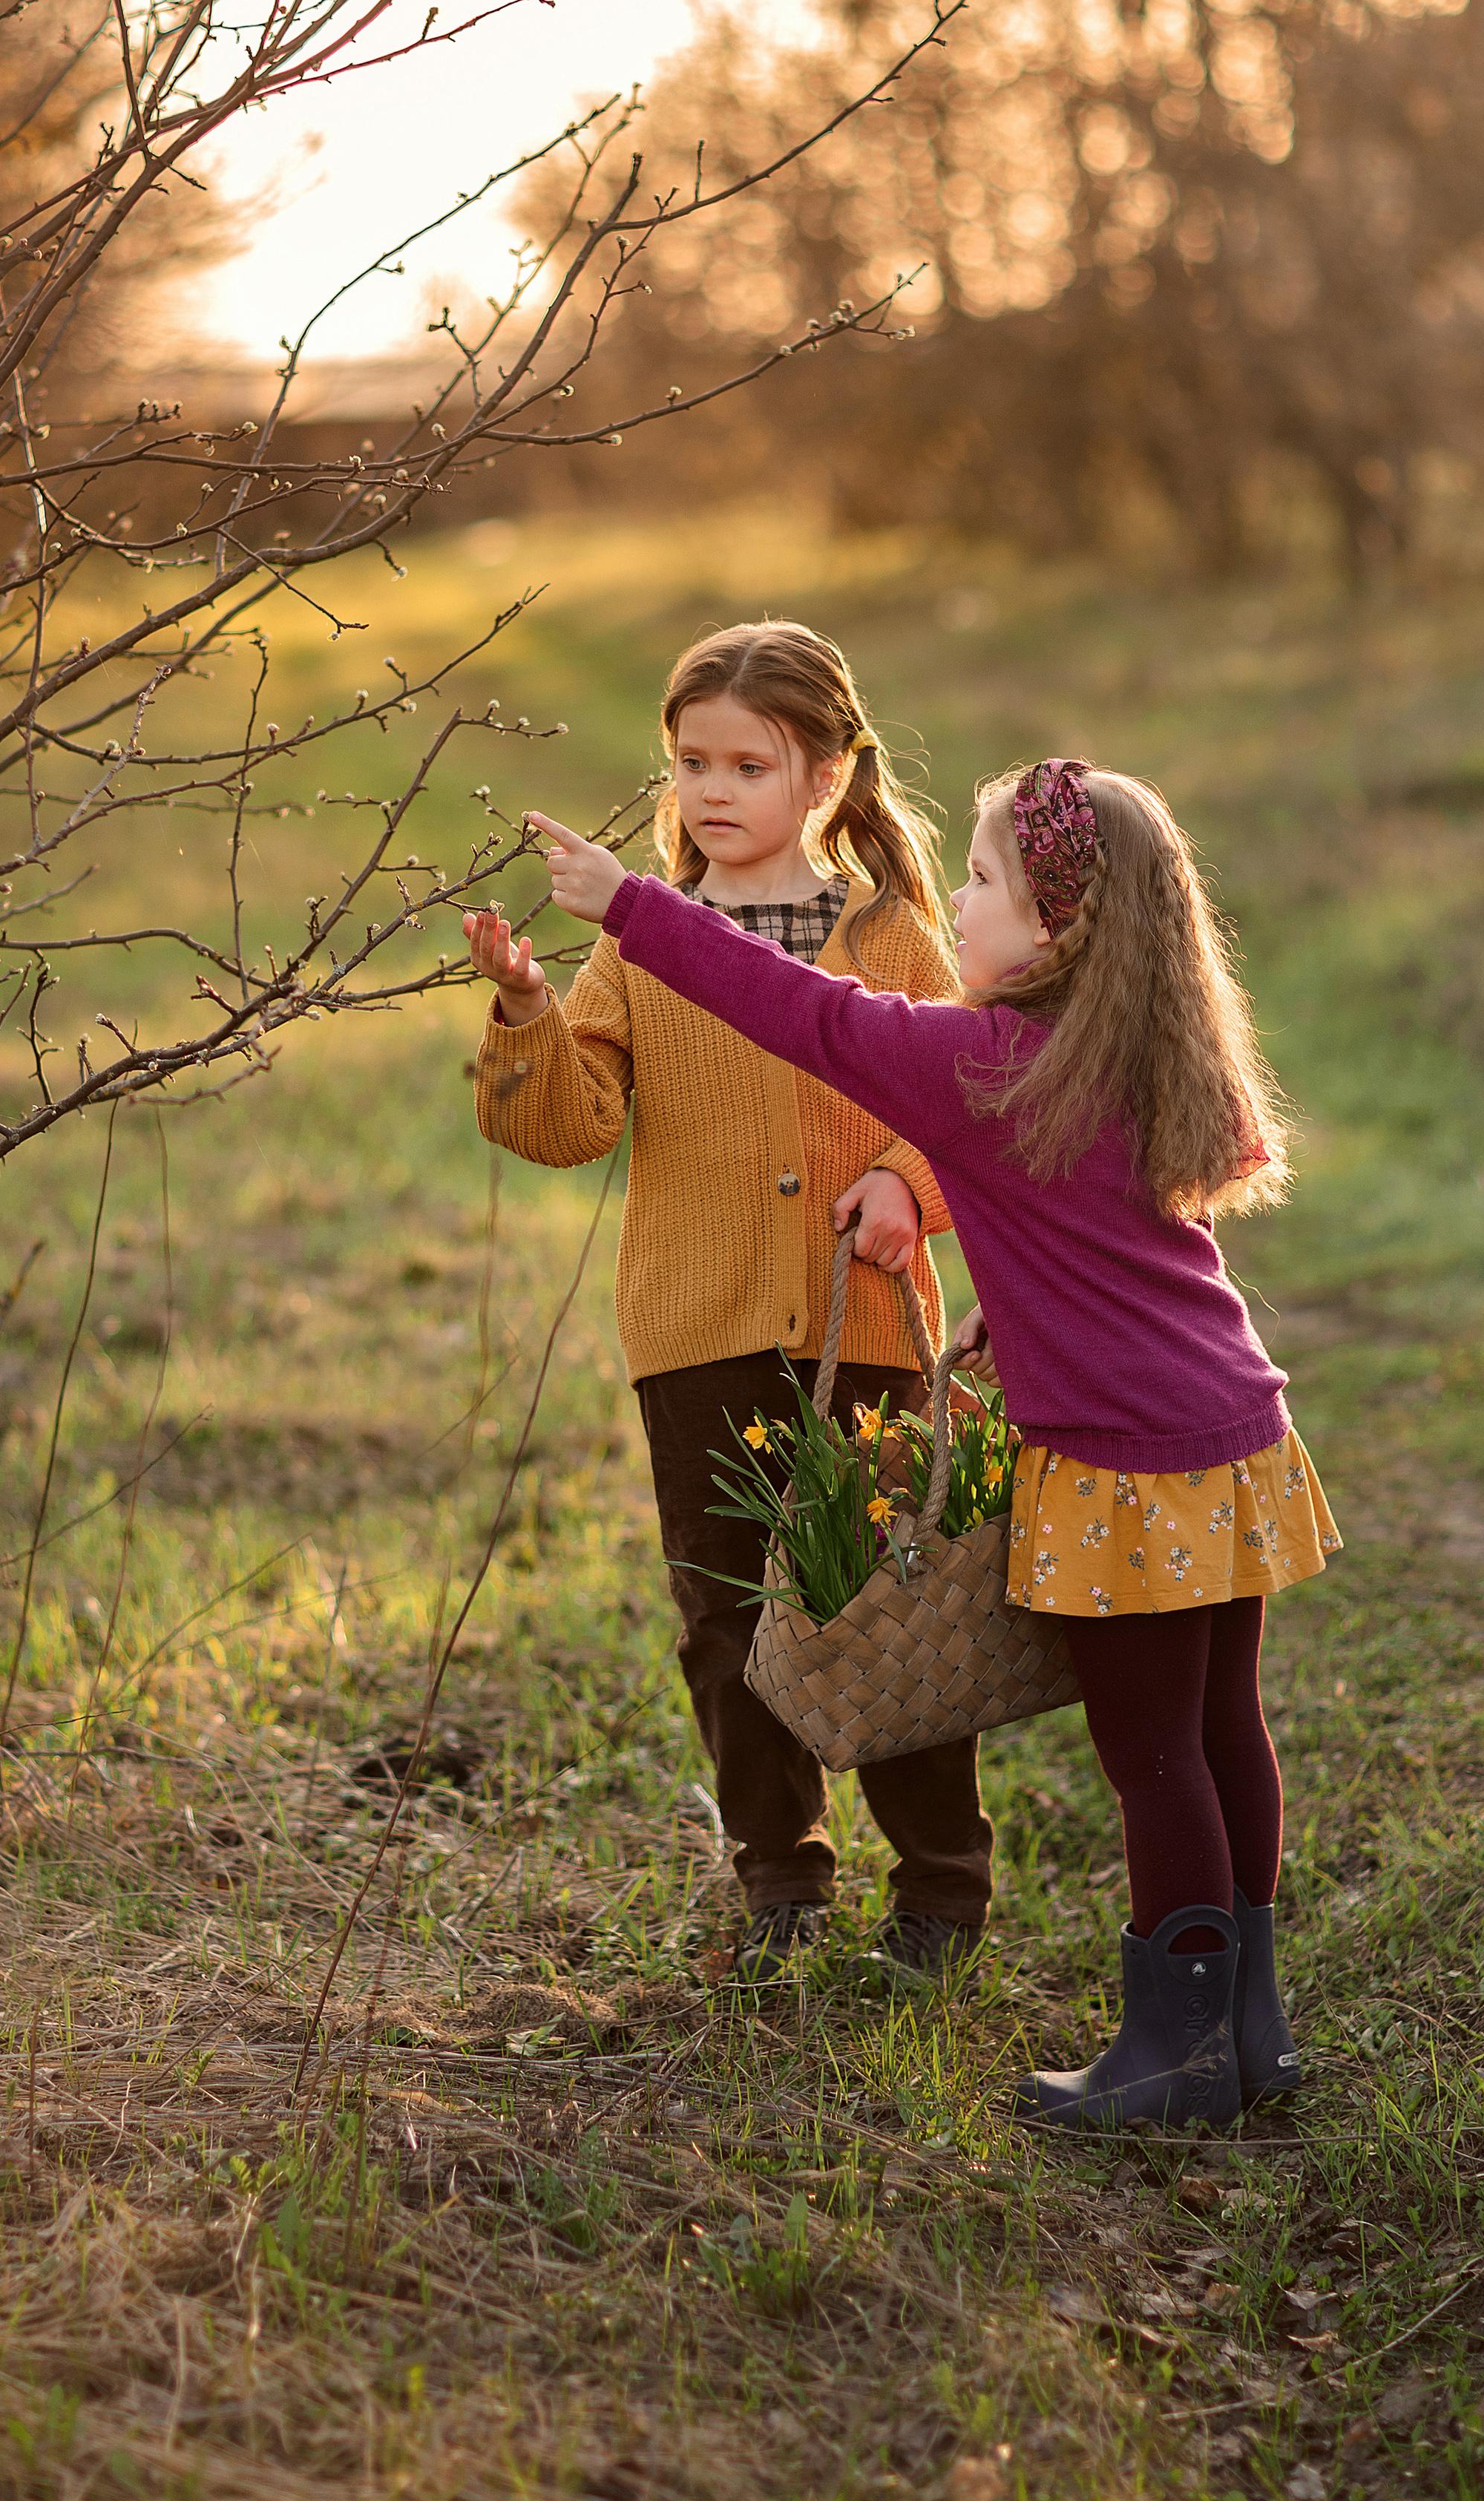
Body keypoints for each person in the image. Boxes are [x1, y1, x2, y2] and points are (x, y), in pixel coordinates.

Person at [520, 757, 1339, 2128]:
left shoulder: (980, 1062)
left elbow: (805, 1014)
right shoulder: (1146, 1051)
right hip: (1234, 1428)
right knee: (1220, 1731)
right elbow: (1108, 1257)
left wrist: (633, 908)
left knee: (1154, 1760)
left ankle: (1180, 2052)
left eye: (979, 881)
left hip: (1128, 1465)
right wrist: (1013, 1330)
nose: (956, 902)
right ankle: (1251, 2024)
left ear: (1056, 929)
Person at [462, 623, 994, 1987]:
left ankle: (938, 1887)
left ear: (825, 774)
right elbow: (569, 1126)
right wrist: (526, 1012)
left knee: (892, 1603)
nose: (711, 789)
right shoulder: (645, 944)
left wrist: (899, 1182)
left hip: (861, 1323)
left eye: (747, 763)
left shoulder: (892, 935)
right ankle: (781, 1877)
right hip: (695, 1329)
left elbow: (967, 1101)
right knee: (728, 1613)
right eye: (690, 760)